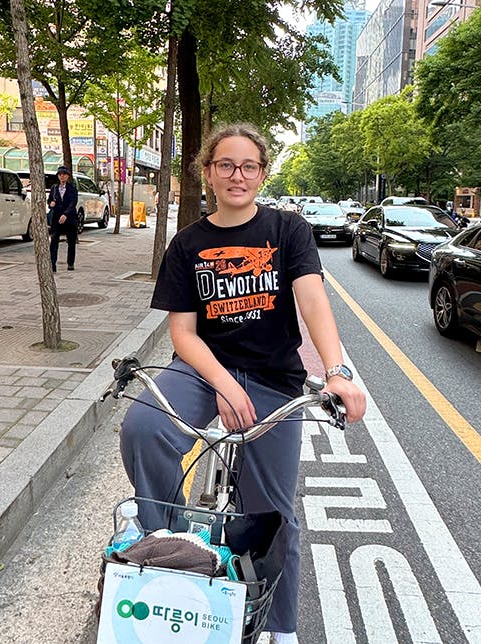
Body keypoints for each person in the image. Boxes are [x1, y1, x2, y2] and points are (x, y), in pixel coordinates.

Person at [119, 123, 366, 644]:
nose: (237, 175)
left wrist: (337, 370)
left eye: (249, 166)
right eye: (226, 165)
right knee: (144, 426)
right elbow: (182, 334)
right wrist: (226, 385)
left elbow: (312, 300)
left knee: (273, 510)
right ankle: (170, 542)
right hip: (205, 368)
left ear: (262, 172)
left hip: (274, 376)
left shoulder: (288, 230)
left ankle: (281, 627)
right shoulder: (188, 244)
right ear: (207, 172)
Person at [48, 166, 78, 272]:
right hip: (56, 218)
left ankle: (70, 263)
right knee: (54, 241)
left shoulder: (72, 189)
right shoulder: (54, 188)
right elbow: (50, 200)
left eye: (64, 174)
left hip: (69, 219)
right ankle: (52, 264)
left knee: (71, 242)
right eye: (60, 174)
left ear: (67, 176)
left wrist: (65, 214)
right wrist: (51, 204)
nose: (62, 176)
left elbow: (73, 203)